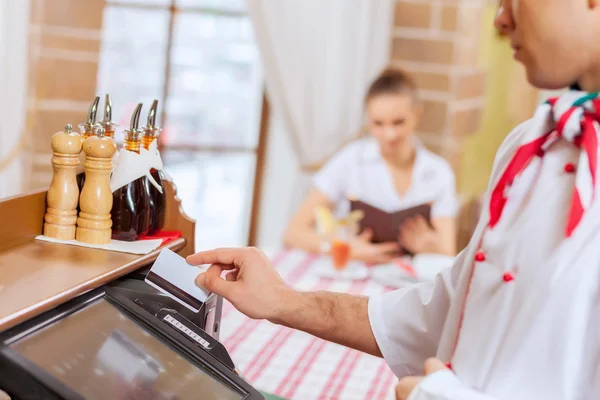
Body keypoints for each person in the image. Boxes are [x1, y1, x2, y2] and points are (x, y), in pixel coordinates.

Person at [188, 1, 600, 399]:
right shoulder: (530, 146)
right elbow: (439, 311)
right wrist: (283, 300)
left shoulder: (448, 168)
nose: (500, 18)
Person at [283, 68, 458, 263]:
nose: (389, 134)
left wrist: (430, 247)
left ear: (416, 115)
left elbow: (448, 254)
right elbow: (293, 232)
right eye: (378, 124)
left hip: (409, 283)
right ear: (368, 120)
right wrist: (344, 248)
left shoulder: (439, 173)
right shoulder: (349, 160)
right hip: (354, 278)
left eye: (398, 122)